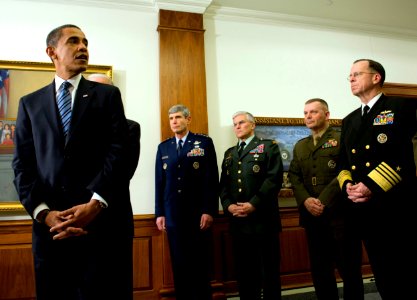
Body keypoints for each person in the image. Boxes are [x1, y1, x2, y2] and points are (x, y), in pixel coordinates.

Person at [12, 24, 134, 300]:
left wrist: (95, 203)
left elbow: (118, 153)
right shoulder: (29, 104)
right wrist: (44, 213)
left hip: (99, 227)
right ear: (52, 52)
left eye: (86, 42)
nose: (83, 48)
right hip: (50, 232)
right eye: (74, 42)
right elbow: (22, 165)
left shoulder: (107, 96)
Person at [338, 59, 417, 299]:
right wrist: (349, 186)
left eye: (356, 74)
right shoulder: (349, 119)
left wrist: (370, 185)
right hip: (362, 209)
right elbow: (343, 163)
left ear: (376, 77)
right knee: (381, 273)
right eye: (349, 75)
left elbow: (405, 156)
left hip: (393, 206)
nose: (351, 79)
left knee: (403, 273)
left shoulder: (400, 107)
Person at [288, 98, 364, 300]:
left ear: (327, 115)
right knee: (320, 271)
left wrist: (321, 201)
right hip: (313, 219)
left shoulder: (342, 139)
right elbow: (294, 177)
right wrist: (306, 201)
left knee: (349, 270)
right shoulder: (300, 146)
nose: (308, 116)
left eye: (313, 112)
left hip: (340, 216)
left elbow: (346, 172)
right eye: (305, 113)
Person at [154, 104, 219, 300]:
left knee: (200, 262)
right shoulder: (163, 147)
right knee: (179, 263)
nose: (174, 121)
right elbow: (159, 183)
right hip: (173, 216)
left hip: (198, 215)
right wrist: (160, 213)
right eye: (171, 118)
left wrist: (209, 210)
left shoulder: (203, 143)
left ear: (188, 119)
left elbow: (211, 179)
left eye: (178, 117)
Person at [219, 111, 283, 300]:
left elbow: (273, 180)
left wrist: (253, 204)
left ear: (252, 125)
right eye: (235, 124)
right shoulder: (230, 153)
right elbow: (223, 185)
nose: (237, 127)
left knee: (270, 271)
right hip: (239, 223)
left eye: (241, 123)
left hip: (264, 221)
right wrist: (228, 205)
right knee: (245, 272)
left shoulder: (268, 147)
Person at [86, 73, 141, 179]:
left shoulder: (130, 127)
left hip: (110, 192)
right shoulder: (74, 125)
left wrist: (97, 193)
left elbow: (126, 171)